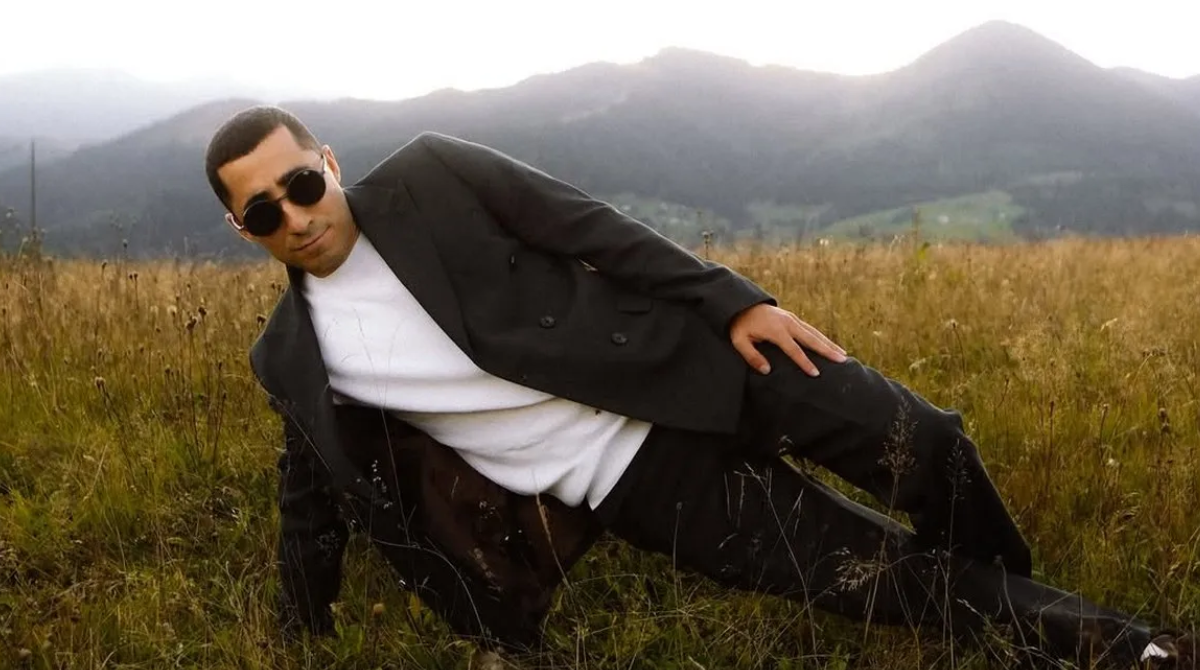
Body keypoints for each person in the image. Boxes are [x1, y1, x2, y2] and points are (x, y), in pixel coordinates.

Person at [204, 104, 1190, 669]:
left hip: (694, 361)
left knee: (927, 441)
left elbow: (585, 225)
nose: (297, 216)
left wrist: (732, 302)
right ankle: (1128, 650)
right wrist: (299, 633)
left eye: (303, 184)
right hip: (635, 484)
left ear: (329, 162)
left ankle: (1004, 594)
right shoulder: (290, 356)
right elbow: (311, 500)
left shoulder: (430, 175)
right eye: (264, 212)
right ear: (241, 229)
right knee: (881, 580)